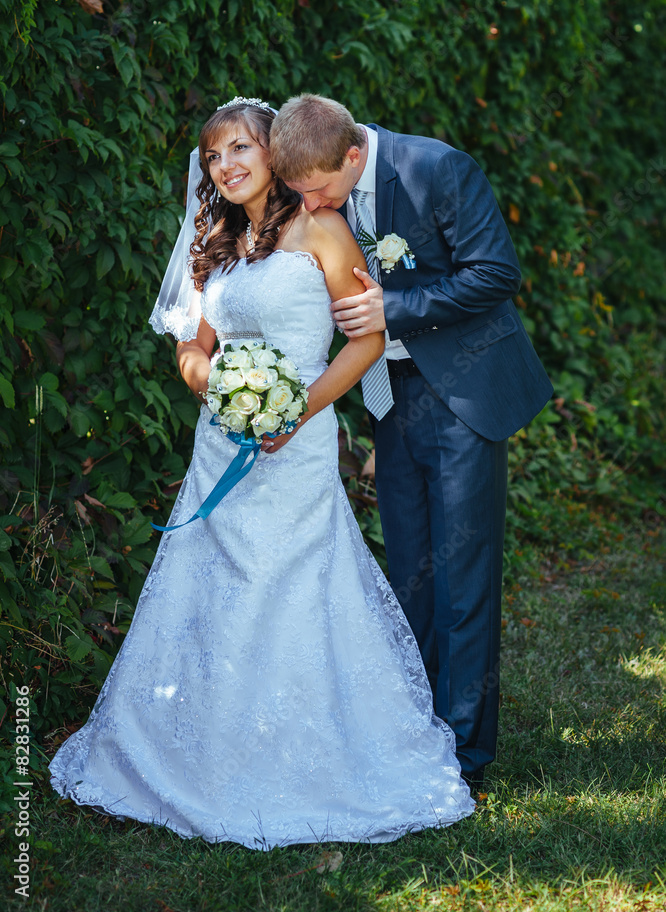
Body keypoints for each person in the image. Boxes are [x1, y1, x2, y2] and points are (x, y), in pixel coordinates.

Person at [48, 97, 475, 849]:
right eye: (215, 156)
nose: (228, 166)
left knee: (291, 588)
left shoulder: (322, 229)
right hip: (222, 446)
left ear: (273, 154)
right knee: (208, 588)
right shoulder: (214, 239)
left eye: (241, 148)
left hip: (299, 445)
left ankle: (308, 752)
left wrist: (293, 408)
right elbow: (193, 351)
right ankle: (198, 753)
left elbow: (366, 341)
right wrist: (222, 391)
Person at [270, 94, 553, 792]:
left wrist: (394, 308)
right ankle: (413, 729)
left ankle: (464, 758)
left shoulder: (436, 168)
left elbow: (495, 273)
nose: (309, 207)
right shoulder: (320, 194)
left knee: (463, 580)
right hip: (389, 401)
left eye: (318, 191)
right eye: (298, 193)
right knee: (410, 573)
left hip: (463, 394)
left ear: (355, 155)